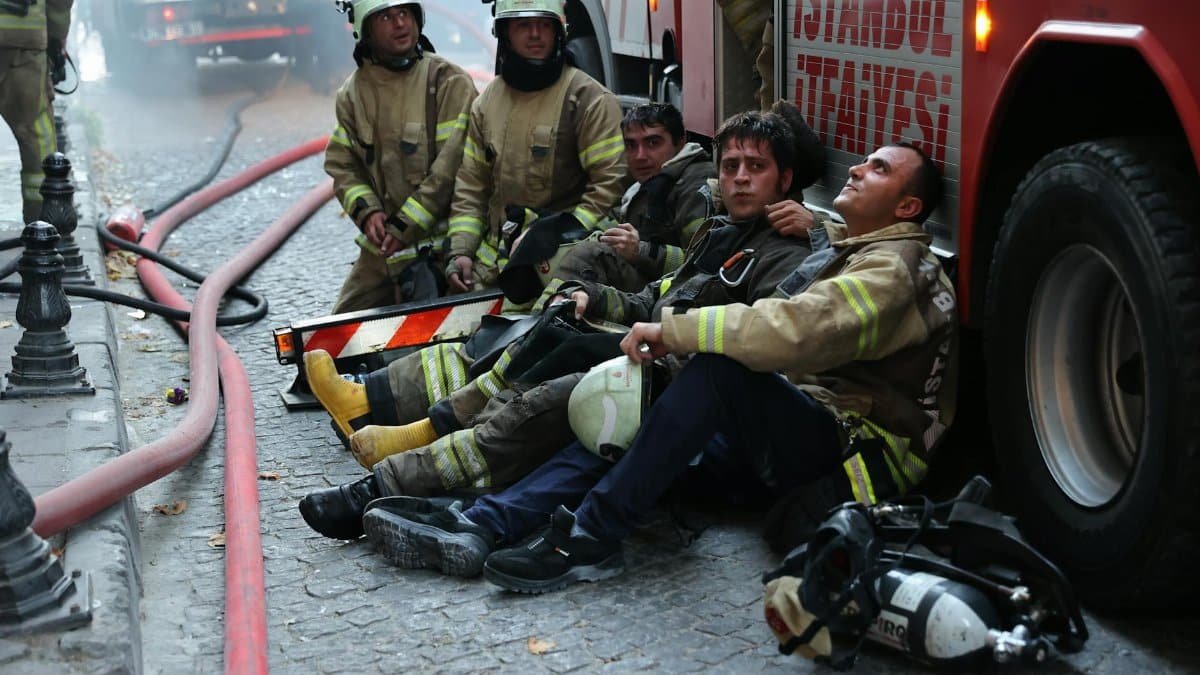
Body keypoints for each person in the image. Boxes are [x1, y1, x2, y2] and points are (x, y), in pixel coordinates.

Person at [357, 142, 958, 593]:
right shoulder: (859, 250)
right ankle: (483, 523)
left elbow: (794, 331)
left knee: (718, 371)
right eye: (863, 162)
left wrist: (675, 334)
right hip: (801, 438)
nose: (855, 169)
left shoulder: (896, 271)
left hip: (849, 463)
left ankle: (591, 537)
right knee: (628, 419)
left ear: (907, 206)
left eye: (877, 169)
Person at [297, 109, 825, 541]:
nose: (737, 177)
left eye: (754, 167)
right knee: (538, 340)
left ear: (785, 179)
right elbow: (657, 298)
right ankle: (401, 423)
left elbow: (750, 348)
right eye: (730, 165)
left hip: (691, 397)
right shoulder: (719, 232)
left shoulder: (785, 253)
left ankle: (383, 487)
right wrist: (591, 296)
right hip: (657, 358)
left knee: (546, 403)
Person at [442, 0, 626, 295]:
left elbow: (610, 188)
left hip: (564, 258)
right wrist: (461, 251)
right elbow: (471, 188)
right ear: (505, 33)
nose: (536, 34)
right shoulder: (487, 103)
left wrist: (558, 233)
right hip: (496, 261)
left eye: (544, 24)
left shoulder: (588, 99)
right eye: (523, 25)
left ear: (559, 31)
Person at [324, 0, 478, 312]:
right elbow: (343, 164)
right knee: (333, 338)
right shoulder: (353, 94)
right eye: (386, 16)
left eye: (405, 13)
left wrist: (403, 226)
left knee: (459, 325)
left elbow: (449, 171)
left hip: (447, 243)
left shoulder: (448, 82)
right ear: (365, 29)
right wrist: (368, 212)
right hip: (383, 251)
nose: (400, 24)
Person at [0, 0, 72, 223]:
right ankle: (44, 222)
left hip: (24, 40)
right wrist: (56, 37)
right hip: (22, 38)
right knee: (36, 132)